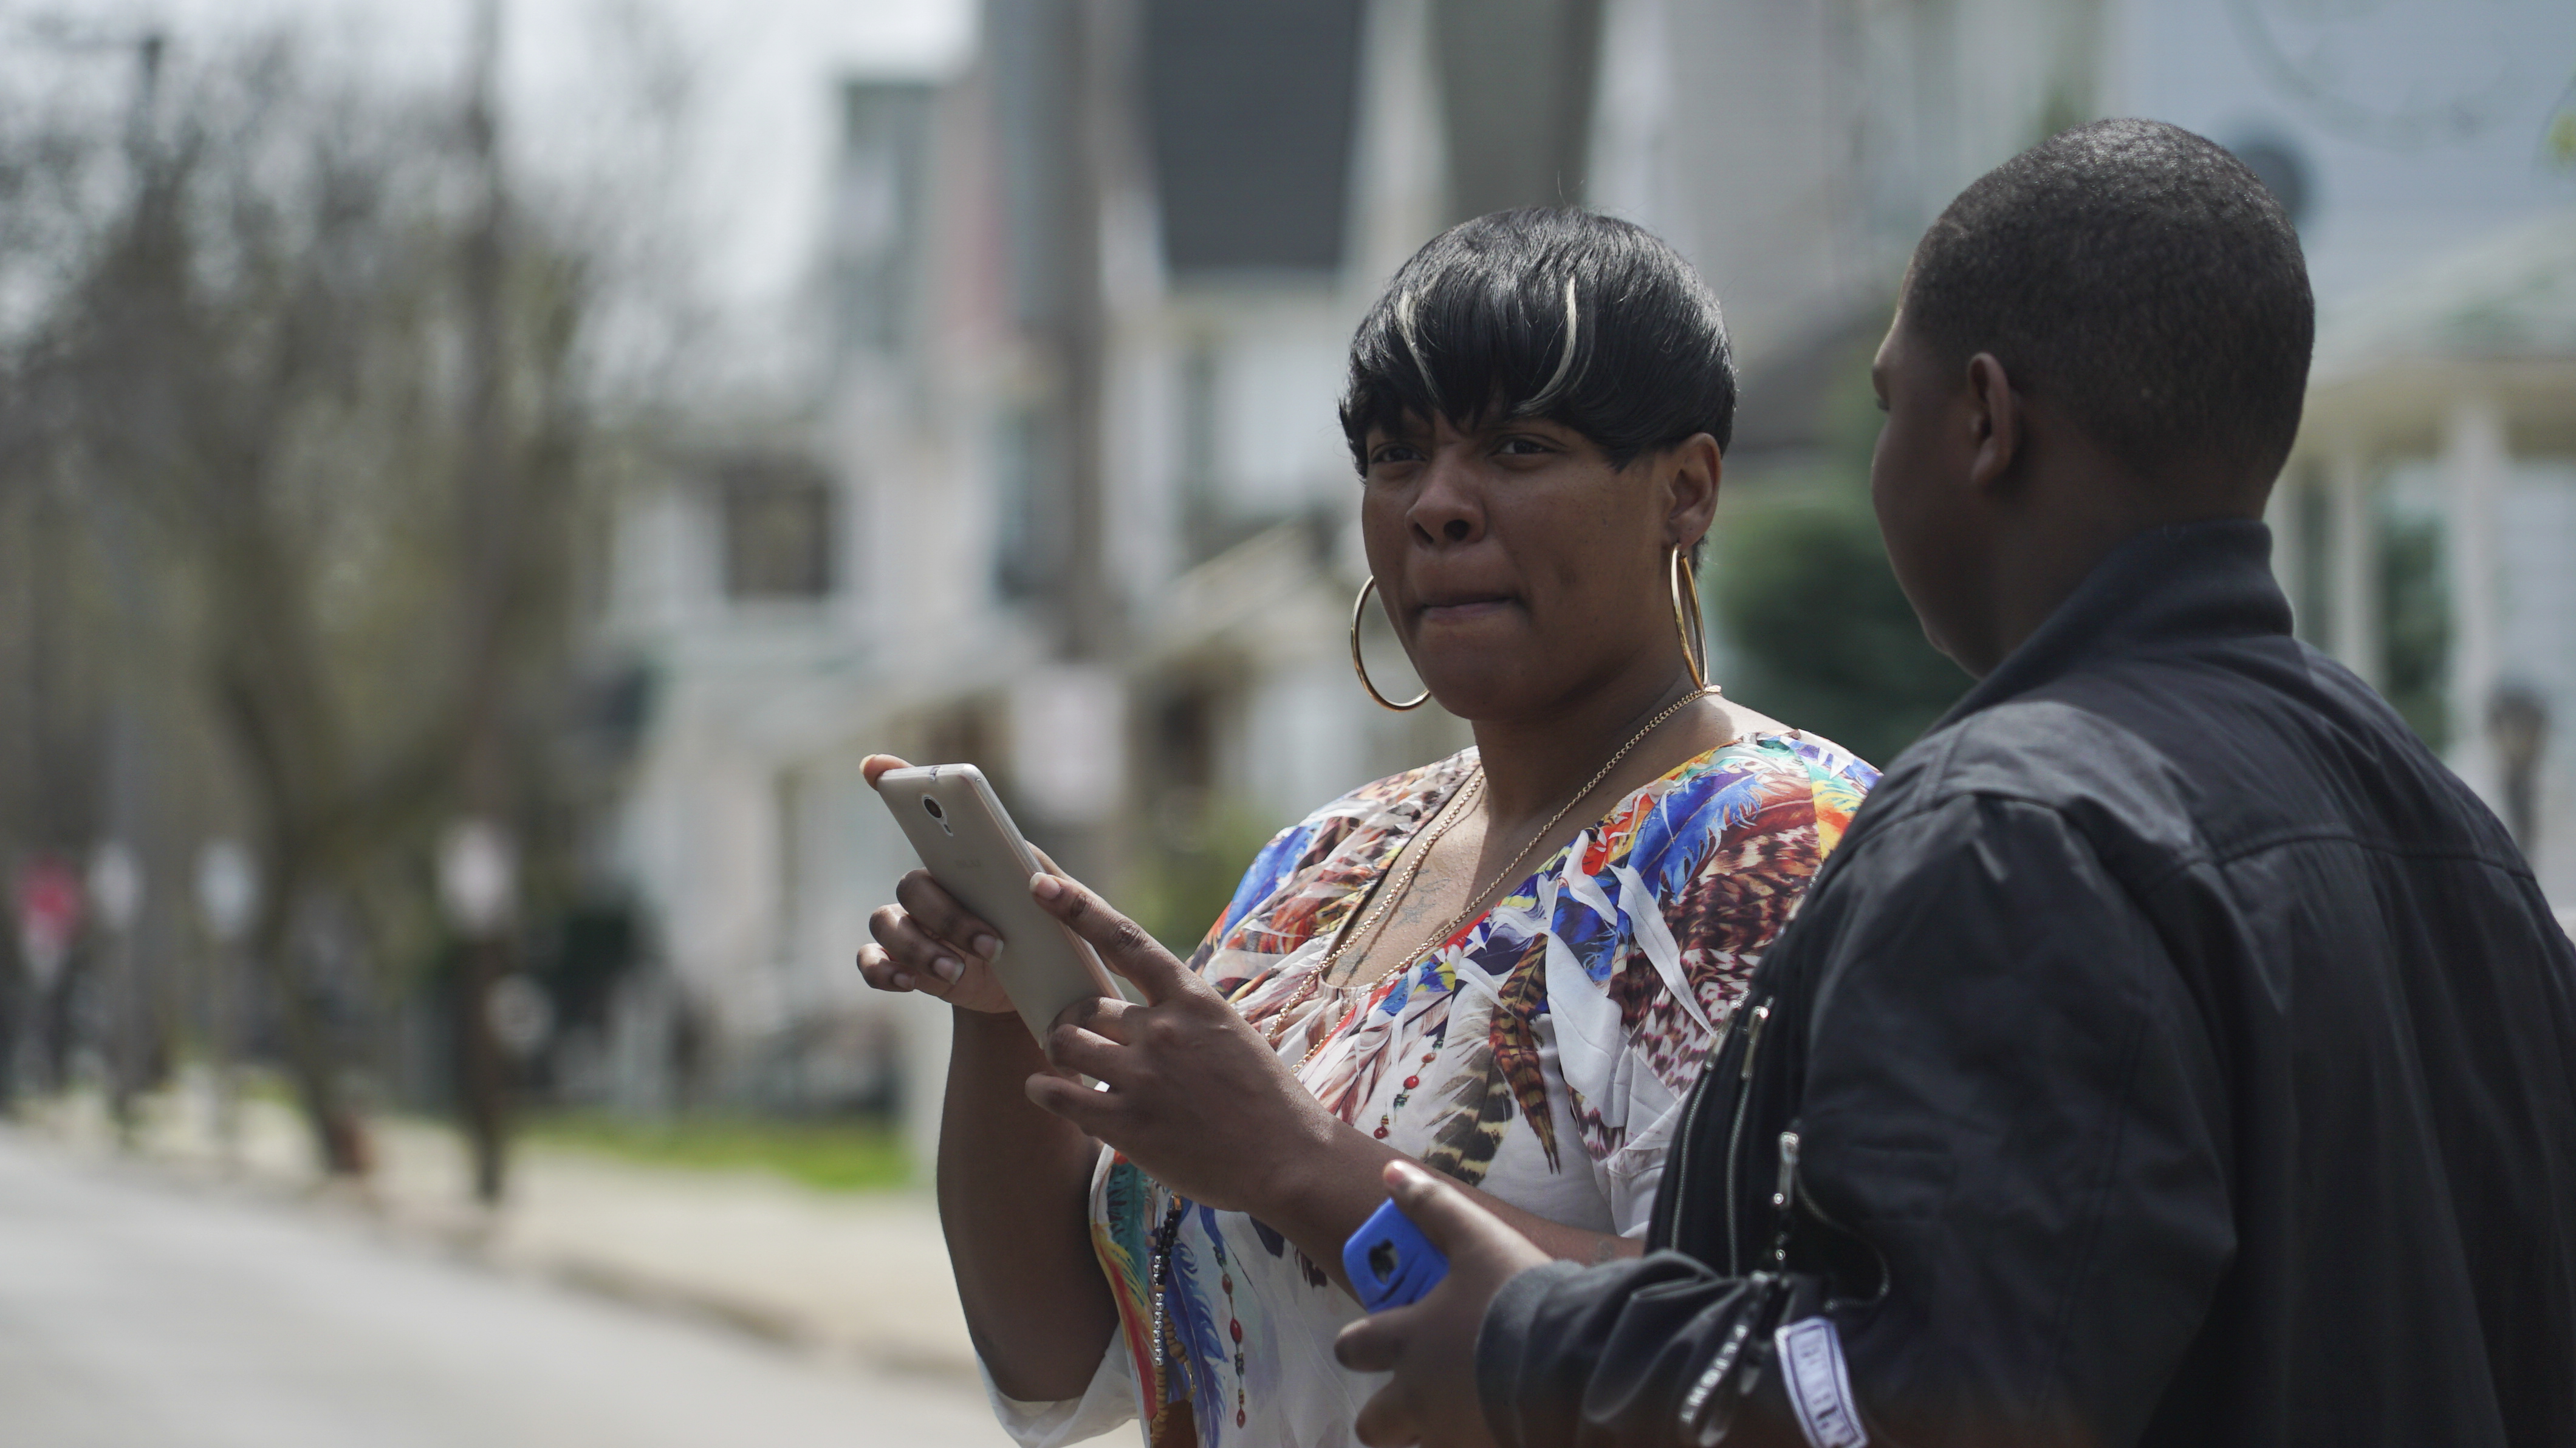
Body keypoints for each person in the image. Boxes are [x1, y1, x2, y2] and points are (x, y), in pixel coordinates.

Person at [1332, 120, 2576, 1448]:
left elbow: (1941, 1395)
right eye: (1396, 458)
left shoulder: (2010, 830)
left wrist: (1531, 1347)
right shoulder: (2448, 836)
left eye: (1888, 407)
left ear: (1981, 423)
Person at [853, 208, 1880, 1447]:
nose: (1436, 504)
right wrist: (1000, 1016)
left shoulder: (1769, 847)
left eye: (1515, 445)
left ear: (1685, 488)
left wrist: (1294, 1161)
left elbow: (1755, 1366)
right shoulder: (1324, 862)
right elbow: (1060, 1369)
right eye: (1395, 457)